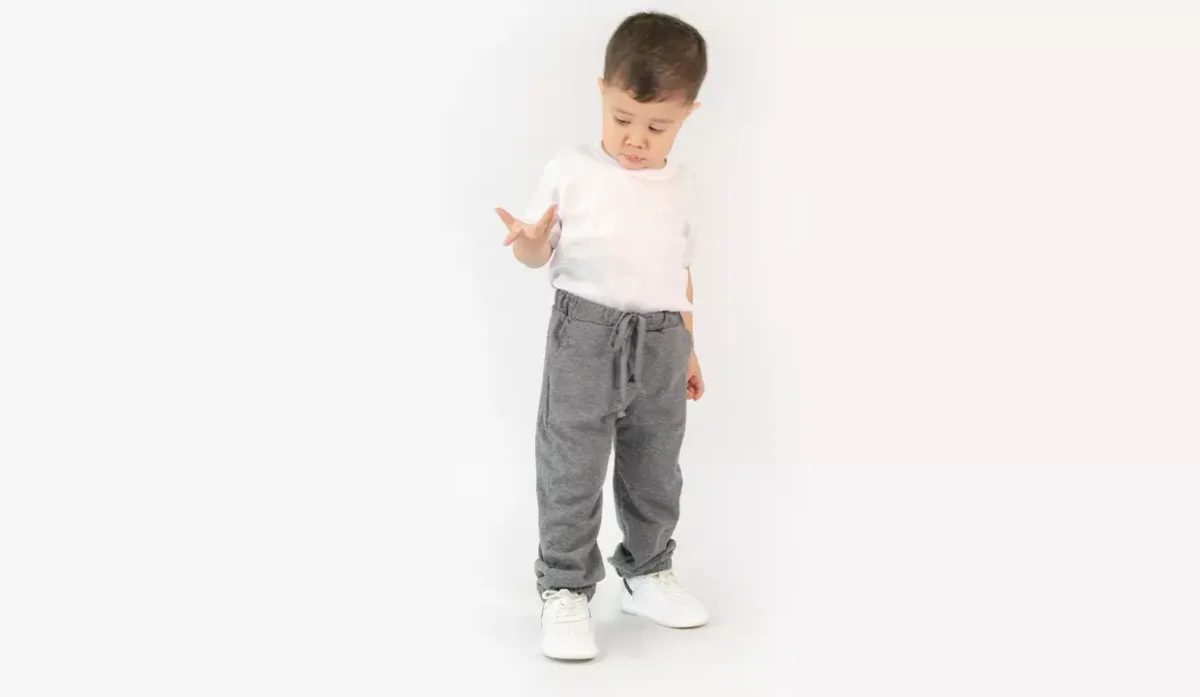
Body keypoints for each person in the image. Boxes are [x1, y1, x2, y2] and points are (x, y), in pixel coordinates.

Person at [495, 11, 710, 661]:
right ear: (602, 92)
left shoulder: (683, 186)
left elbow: (679, 272)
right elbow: (536, 254)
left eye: (657, 126)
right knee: (572, 464)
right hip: (586, 334)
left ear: (688, 114)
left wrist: (690, 346)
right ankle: (565, 585)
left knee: (655, 468)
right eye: (622, 118)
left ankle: (647, 570)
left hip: (663, 340)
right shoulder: (572, 168)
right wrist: (530, 243)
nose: (636, 139)